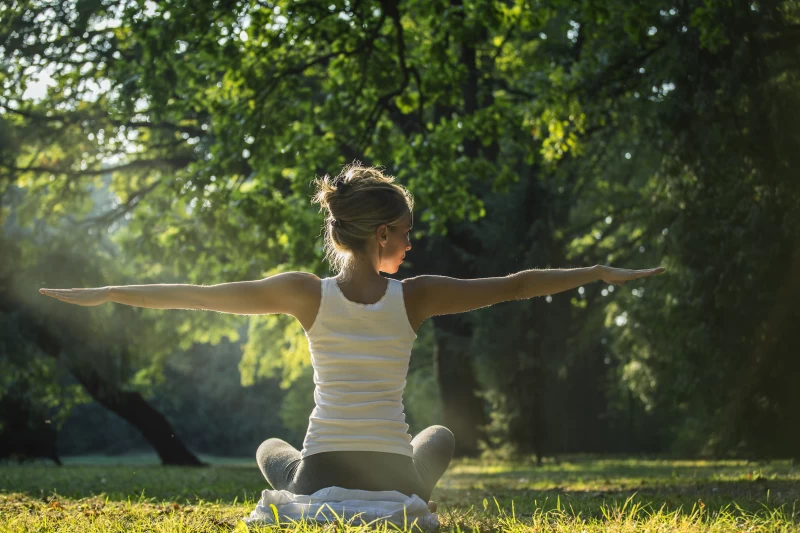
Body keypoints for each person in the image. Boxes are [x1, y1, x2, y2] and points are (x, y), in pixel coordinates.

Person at [39, 162, 665, 510]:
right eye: (406, 232)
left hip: (317, 474)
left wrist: (110, 292)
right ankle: (397, 487)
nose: (412, 243)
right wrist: (599, 273)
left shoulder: (305, 293)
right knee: (440, 435)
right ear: (380, 235)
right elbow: (517, 283)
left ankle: (304, 482)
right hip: (396, 478)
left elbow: (203, 297)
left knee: (269, 449)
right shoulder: (416, 297)